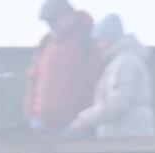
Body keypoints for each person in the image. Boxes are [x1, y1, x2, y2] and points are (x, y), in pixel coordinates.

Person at [23, 0, 103, 134]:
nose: (51, 24)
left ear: (69, 15)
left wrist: (83, 120)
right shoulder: (45, 43)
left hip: (74, 126)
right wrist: (30, 114)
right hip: (40, 124)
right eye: (47, 21)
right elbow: (33, 79)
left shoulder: (87, 40)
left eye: (54, 19)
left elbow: (95, 82)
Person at [68, 15, 155, 137]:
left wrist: (84, 120)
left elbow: (117, 103)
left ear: (109, 39)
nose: (97, 45)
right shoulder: (123, 61)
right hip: (129, 133)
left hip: (126, 135)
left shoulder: (125, 63)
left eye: (99, 40)